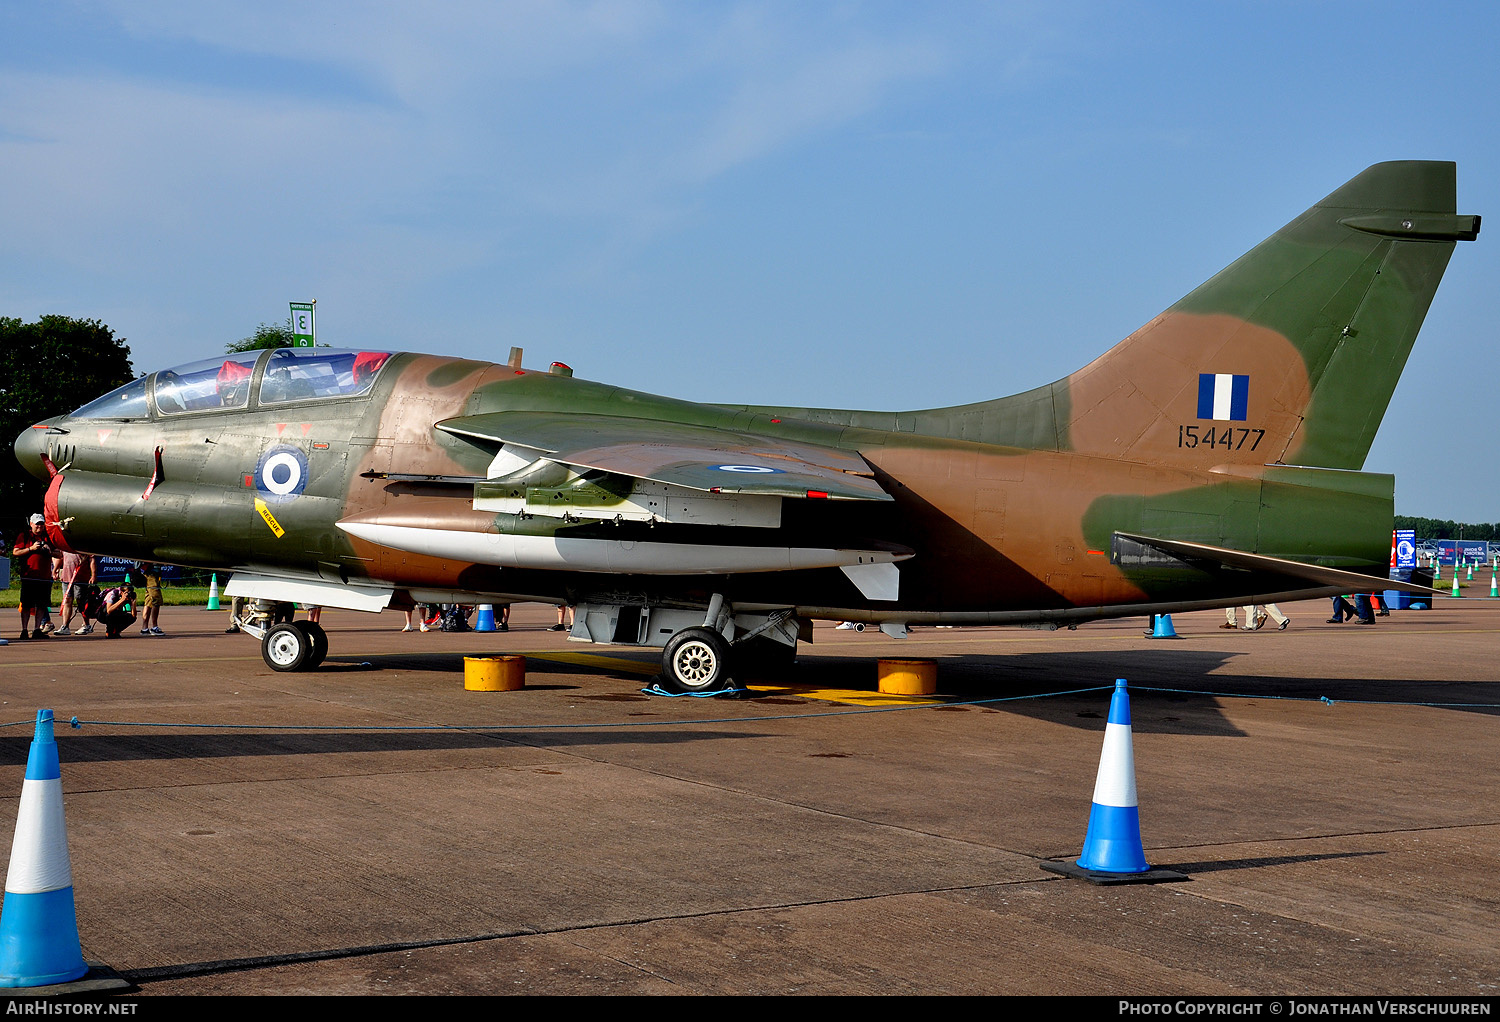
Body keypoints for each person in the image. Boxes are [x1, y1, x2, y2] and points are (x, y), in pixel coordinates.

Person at [12, 513, 54, 640]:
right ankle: (24, 630)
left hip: (44, 577)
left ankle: (37, 629)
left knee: (41, 605)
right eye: (37, 524)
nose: (39, 527)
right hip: (29, 576)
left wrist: (49, 550)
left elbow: (59, 554)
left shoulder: (48, 537)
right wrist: (31, 548)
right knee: (26, 604)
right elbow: (15, 552)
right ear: (31, 524)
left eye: (41, 524)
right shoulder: (24, 536)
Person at [56, 551, 98, 635]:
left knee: (81, 601)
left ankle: (86, 625)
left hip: (80, 579)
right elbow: (61, 557)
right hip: (66, 578)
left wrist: (93, 575)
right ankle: (65, 626)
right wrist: (55, 569)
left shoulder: (82, 545)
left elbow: (92, 560)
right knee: (67, 601)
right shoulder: (65, 547)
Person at [138, 561, 164, 635]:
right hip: (151, 573)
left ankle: (144, 628)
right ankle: (154, 627)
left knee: (148, 601)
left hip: (150, 573)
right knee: (156, 599)